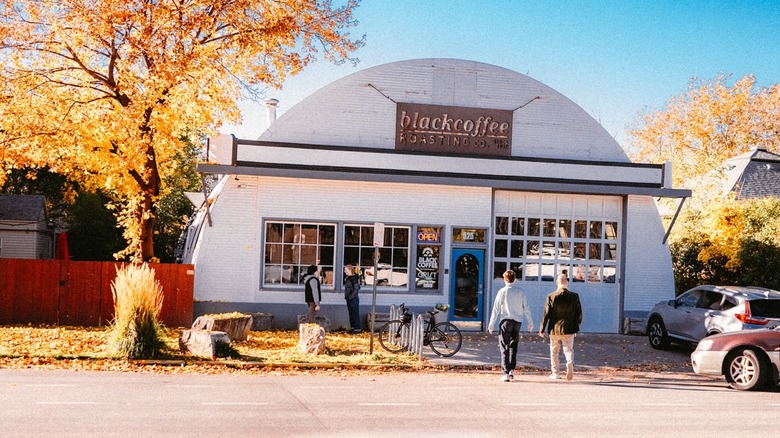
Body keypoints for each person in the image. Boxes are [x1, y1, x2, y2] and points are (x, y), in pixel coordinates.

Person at [488, 269, 534, 382]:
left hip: (506, 321)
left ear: (505, 279)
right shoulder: (520, 292)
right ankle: (512, 370)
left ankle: (506, 373)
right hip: (517, 322)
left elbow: (496, 308)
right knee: (514, 346)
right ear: (515, 279)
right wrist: (530, 322)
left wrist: (491, 323)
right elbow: (526, 307)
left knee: (504, 347)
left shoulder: (502, 291)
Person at [538, 273, 583, 381]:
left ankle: (555, 373)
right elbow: (579, 313)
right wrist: (576, 324)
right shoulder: (574, 296)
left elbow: (546, 314)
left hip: (554, 329)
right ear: (567, 282)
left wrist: (542, 328)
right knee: (568, 350)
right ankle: (569, 362)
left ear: (557, 283)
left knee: (554, 351)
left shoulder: (551, 296)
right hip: (569, 328)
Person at [343, 264, 361, 333]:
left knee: (354, 313)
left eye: (346, 270)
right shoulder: (349, 278)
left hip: (353, 299)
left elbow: (356, 288)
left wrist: (351, 296)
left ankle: (357, 329)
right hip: (349, 298)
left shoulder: (353, 278)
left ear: (350, 270)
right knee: (351, 313)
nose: (345, 271)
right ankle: (353, 328)